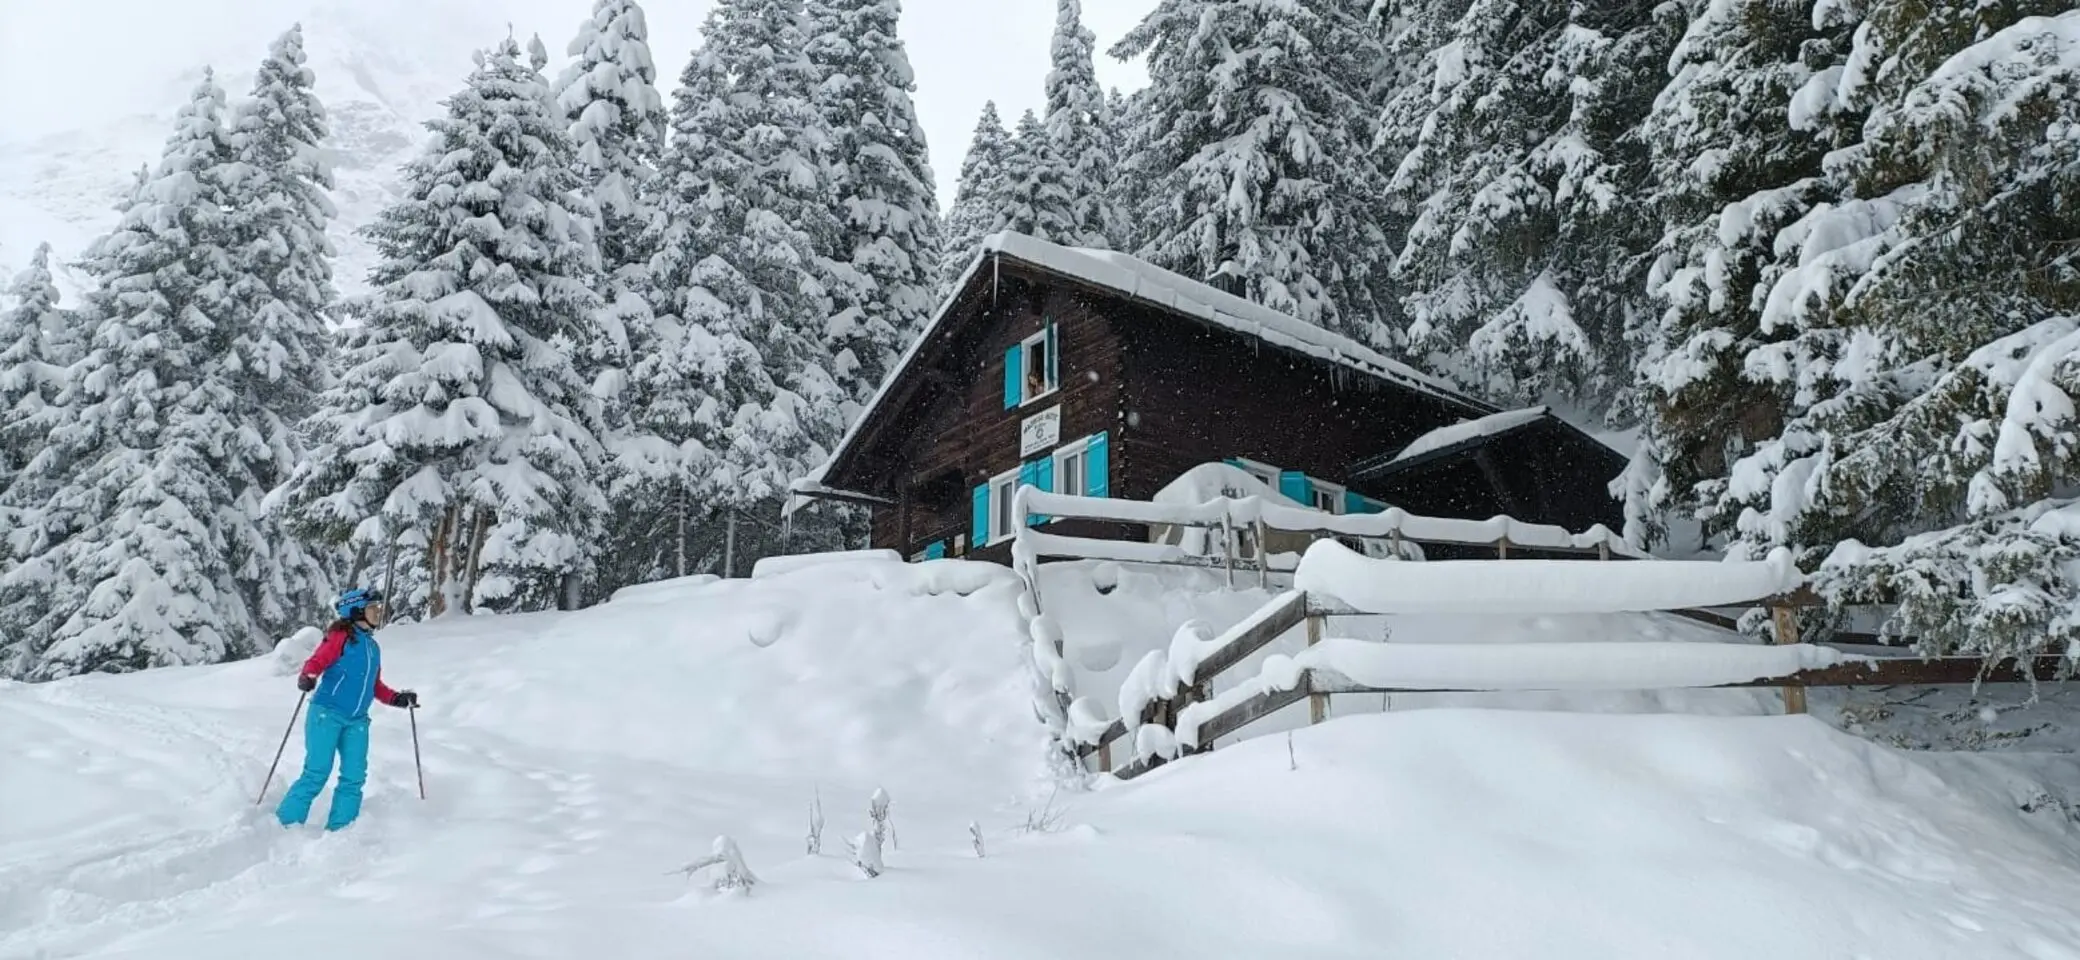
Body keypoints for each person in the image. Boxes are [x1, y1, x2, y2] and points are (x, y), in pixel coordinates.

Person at [275, 587, 420, 831]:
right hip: (327, 714)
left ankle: (340, 830)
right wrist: (308, 676)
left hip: (357, 721)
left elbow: (374, 685)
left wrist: (397, 698)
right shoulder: (340, 637)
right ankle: (284, 825)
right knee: (316, 773)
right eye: (372, 609)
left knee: (354, 777)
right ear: (356, 611)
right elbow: (317, 661)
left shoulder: (372, 648)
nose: (378, 613)